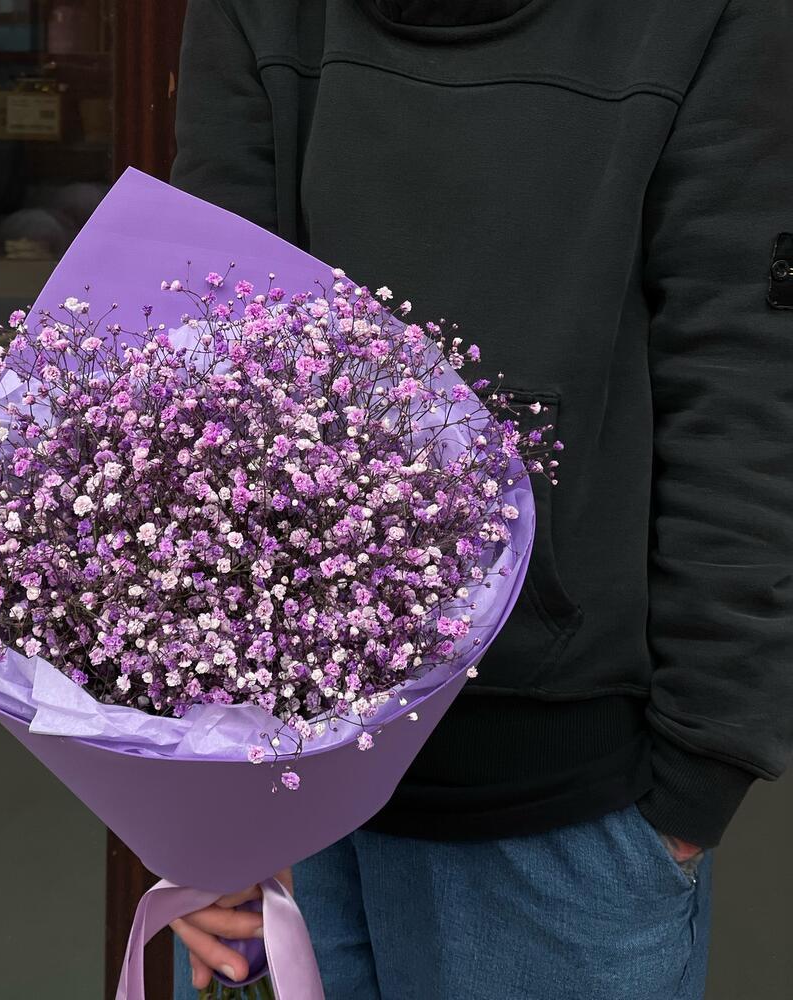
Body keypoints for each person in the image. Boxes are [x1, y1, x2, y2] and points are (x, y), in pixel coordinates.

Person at [167, 1, 793, 997]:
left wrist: (699, 774)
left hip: (565, 808)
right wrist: (185, 786)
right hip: (275, 782)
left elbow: (741, 379)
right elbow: (197, 363)